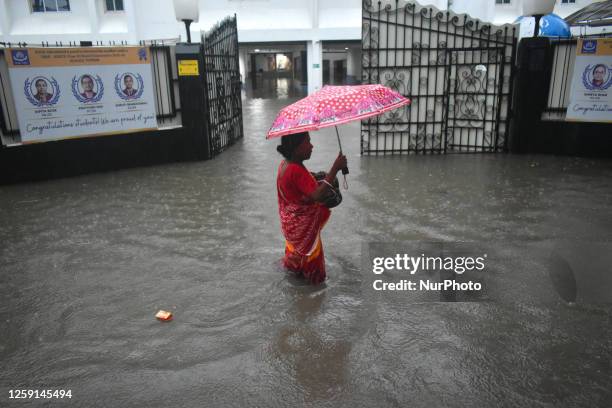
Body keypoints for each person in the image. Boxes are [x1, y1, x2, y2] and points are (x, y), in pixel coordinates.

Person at [276, 132, 347, 285]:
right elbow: (318, 196)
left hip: (292, 228)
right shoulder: (296, 170)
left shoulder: (285, 164)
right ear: (296, 148)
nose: (312, 146)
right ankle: (313, 297)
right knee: (316, 279)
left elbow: (297, 190)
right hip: (304, 228)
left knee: (295, 263)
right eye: (307, 142)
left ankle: (295, 275)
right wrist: (335, 168)